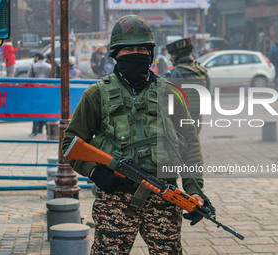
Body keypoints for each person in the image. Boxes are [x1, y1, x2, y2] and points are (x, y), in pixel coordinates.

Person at [62, 15, 207, 254]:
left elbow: (190, 146)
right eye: (128, 49)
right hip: (115, 200)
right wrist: (95, 171)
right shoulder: (96, 94)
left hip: (164, 198)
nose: (136, 53)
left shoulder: (171, 94)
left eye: (142, 48)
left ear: (150, 54)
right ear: (116, 54)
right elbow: (70, 143)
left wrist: (194, 190)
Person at [166, 37, 209, 134]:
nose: (170, 58)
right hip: (196, 120)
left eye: (172, 55)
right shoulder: (202, 72)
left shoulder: (175, 73)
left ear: (178, 56)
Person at [28, 53, 51, 137]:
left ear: (37, 57)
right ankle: (48, 131)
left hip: (36, 91)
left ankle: (35, 131)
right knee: (45, 111)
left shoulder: (32, 66)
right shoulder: (49, 66)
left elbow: (29, 79)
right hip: (47, 91)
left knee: (36, 111)